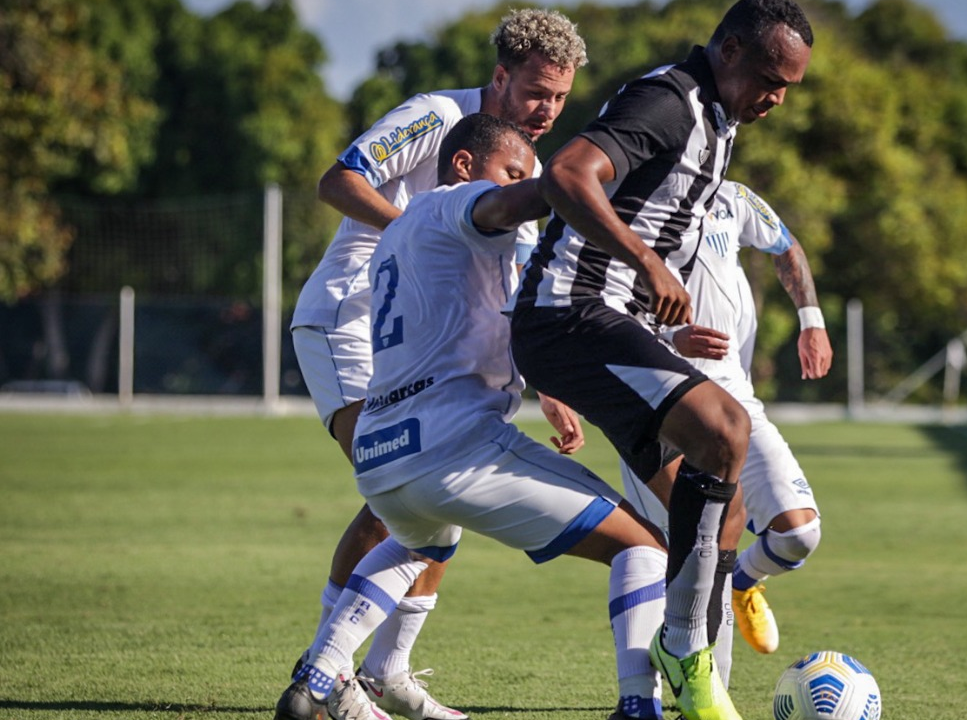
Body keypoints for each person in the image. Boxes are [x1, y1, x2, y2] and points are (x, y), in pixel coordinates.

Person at [281, 114, 670, 720]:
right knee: (644, 545)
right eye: (513, 171)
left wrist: (548, 387)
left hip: (385, 452)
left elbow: (484, 322)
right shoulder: (453, 205)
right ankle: (637, 708)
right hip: (453, 445)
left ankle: (317, 676)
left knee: (420, 539)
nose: (521, 183)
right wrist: (567, 182)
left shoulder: (402, 235)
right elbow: (506, 206)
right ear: (463, 166)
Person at [509, 3, 813, 719]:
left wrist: (662, 333)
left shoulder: (720, 121)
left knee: (722, 506)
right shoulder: (671, 100)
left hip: (607, 324)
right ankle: (682, 649)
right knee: (727, 430)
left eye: (789, 88)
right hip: (567, 315)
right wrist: (646, 263)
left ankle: (668, 695)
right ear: (730, 50)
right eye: (770, 78)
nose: (776, 97)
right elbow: (569, 173)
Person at [284, 11, 587, 720]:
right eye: (536, 92)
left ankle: (383, 672)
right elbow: (339, 179)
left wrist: (549, 384)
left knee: (432, 490)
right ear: (501, 75)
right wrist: (419, 236)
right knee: (399, 496)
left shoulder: (528, 170)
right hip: (350, 323)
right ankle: (327, 679)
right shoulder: (436, 116)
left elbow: (514, 283)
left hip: (426, 347)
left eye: (560, 99)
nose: (546, 111)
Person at [619, 181, 830, 673]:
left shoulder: (732, 197)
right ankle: (662, 689)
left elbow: (786, 247)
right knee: (693, 549)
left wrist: (812, 318)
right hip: (659, 402)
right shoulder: (624, 203)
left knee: (800, 535)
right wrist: (670, 334)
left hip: (736, 401)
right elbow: (595, 307)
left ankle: (744, 582)